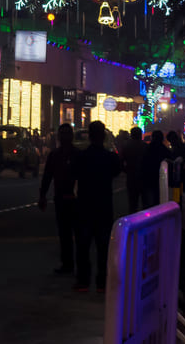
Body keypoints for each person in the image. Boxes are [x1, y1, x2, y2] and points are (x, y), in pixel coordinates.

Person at [72, 121, 123, 293]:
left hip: (85, 204)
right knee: (103, 247)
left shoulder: (81, 156)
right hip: (103, 205)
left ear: (90, 135)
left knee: (83, 245)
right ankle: (102, 282)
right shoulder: (109, 157)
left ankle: (83, 280)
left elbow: (74, 173)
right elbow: (117, 170)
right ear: (103, 136)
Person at [38, 123, 79, 276]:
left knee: (72, 233)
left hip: (74, 199)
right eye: (62, 134)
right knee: (65, 233)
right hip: (62, 198)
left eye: (67, 134)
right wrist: (42, 195)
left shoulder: (76, 155)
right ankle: (68, 263)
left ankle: (71, 263)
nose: (64, 137)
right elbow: (47, 176)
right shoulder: (55, 155)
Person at [139, 130, 171, 208]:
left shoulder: (147, 148)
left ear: (152, 138)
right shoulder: (164, 149)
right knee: (158, 197)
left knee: (148, 199)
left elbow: (143, 162)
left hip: (148, 176)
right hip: (159, 177)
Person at [121, 126, 146, 215]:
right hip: (144, 177)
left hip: (131, 177)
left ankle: (132, 222)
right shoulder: (145, 146)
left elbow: (121, 161)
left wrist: (126, 170)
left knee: (132, 203)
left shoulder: (126, 146)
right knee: (145, 202)